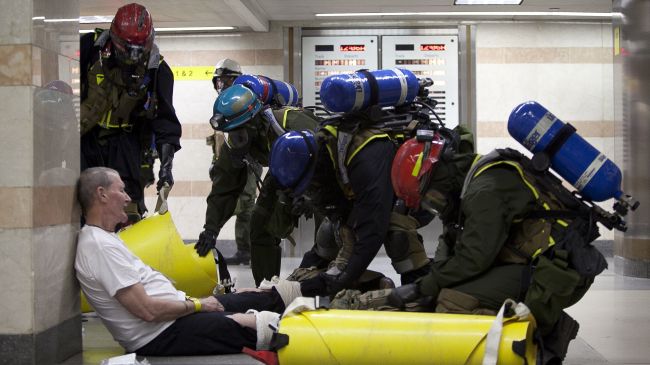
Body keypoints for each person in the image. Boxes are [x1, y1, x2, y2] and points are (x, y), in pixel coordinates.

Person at [329, 130, 606, 364]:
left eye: (431, 199)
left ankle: (539, 343)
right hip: (534, 263)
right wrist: (429, 284)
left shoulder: (484, 192)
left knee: (455, 301)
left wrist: (425, 287)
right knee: (443, 290)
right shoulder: (468, 184)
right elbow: (455, 248)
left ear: (438, 177)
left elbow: (474, 258)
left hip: (556, 271)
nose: (434, 207)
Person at [74, 167, 285, 356]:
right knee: (260, 326)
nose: (128, 198)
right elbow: (147, 311)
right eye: (121, 190)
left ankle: (307, 290)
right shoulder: (99, 246)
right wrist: (199, 305)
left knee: (257, 297)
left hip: (172, 317)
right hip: (161, 333)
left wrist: (196, 303)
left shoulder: (104, 238)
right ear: (102, 194)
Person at [266, 123, 433, 298]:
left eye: (310, 186)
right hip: (372, 192)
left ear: (314, 169)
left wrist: (343, 278)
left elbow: (373, 230)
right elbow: (337, 210)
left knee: (397, 235)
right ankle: (300, 286)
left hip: (414, 192)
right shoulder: (323, 157)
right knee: (330, 232)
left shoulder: (364, 157)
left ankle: (420, 295)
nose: (311, 192)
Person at [194, 84, 321, 286]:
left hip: (320, 174)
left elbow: (328, 157)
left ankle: (331, 287)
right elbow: (224, 189)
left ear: (255, 122)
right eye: (230, 135)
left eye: (239, 135)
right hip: (281, 172)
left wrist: (312, 195)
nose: (235, 141)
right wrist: (211, 229)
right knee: (260, 227)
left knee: (329, 232)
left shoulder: (290, 121)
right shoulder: (234, 142)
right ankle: (267, 290)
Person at [80, 3, 181, 223]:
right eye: (128, 48)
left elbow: (166, 124)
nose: (133, 56)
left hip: (125, 145)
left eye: (139, 49)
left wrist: (166, 168)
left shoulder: (158, 71)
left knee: (125, 214)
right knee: (80, 205)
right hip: (85, 140)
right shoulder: (89, 48)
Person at [205, 58, 262, 265]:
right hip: (228, 163)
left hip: (246, 164)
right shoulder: (224, 106)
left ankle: (246, 250)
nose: (222, 86)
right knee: (231, 201)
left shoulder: (245, 102)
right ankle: (242, 249)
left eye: (227, 81)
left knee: (245, 205)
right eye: (219, 82)